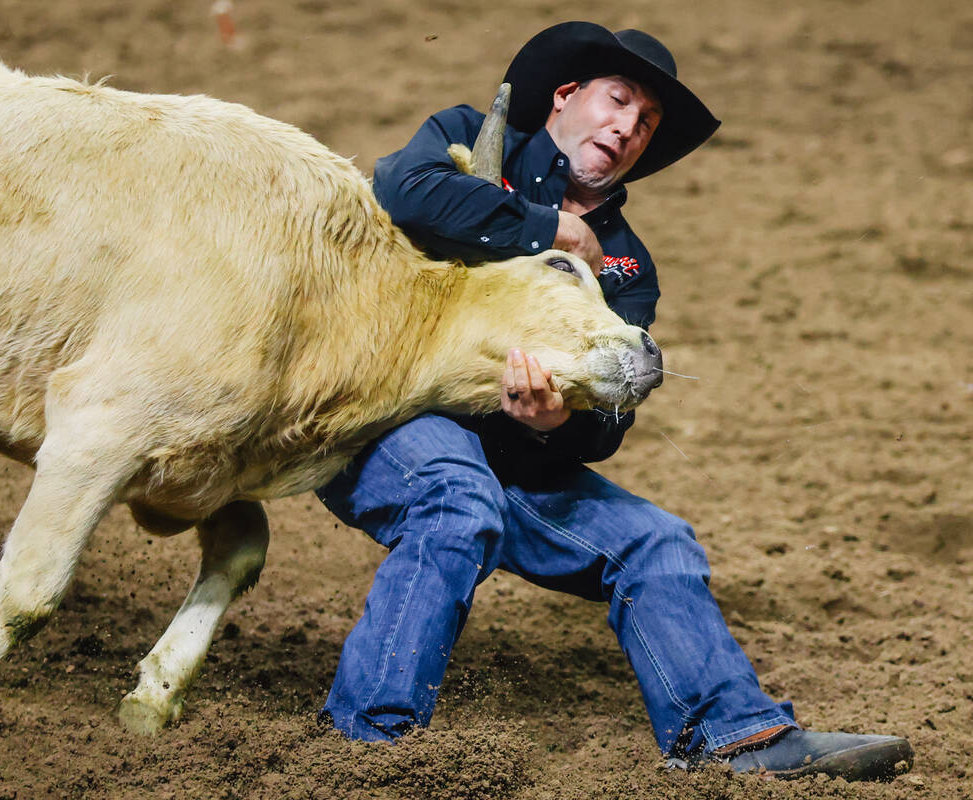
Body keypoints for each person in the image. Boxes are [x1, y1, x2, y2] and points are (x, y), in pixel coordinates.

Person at [315, 22, 914, 781]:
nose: (627, 127)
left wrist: (558, 423)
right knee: (455, 502)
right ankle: (369, 749)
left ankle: (735, 739)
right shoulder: (470, 138)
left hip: (513, 454)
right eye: (617, 100)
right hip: (391, 417)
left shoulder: (627, 264)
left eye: (646, 122)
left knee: (657, 541)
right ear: (568, 96)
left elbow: (613, 413)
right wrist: (550, 231)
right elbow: (402, 189)